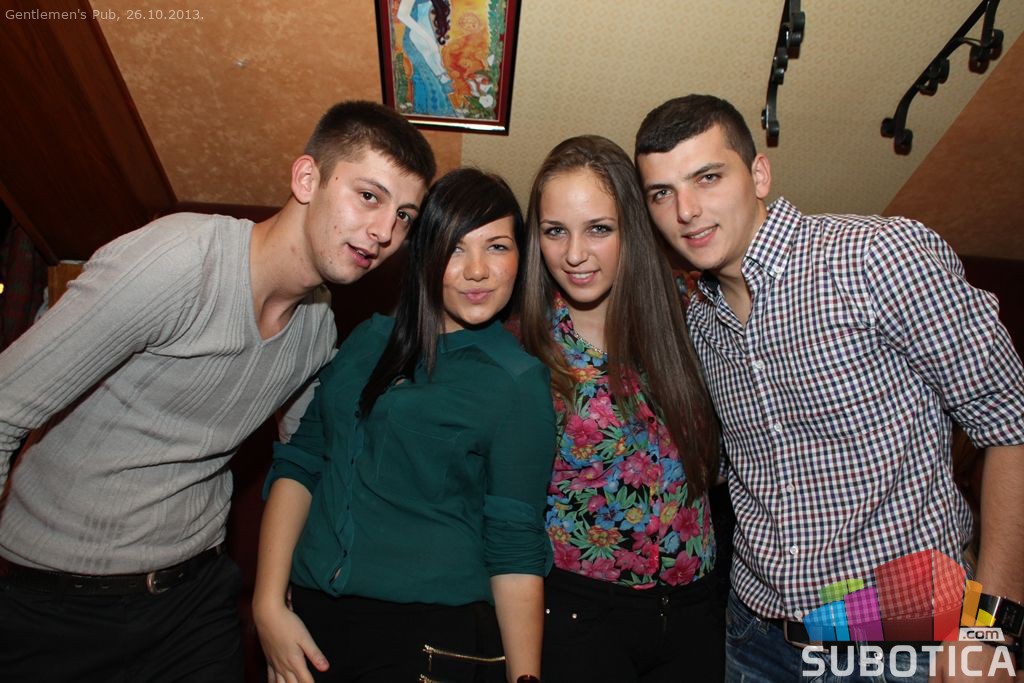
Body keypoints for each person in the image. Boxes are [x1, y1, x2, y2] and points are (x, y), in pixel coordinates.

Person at [0, 100, 435, 682]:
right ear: (307, 179)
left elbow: (312, 457)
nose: (385, 232)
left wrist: (281, 597)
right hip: (55, 602)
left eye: (404, 215)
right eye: (369, 196)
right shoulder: (182, 262)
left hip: (195, 598)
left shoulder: (316, 328)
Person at [635, 94, 1024, 681]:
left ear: (759, 175)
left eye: (707, 177)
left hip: (902, 638)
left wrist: (991, 629)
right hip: (756, 636)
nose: (686, 210)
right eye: (662, 193)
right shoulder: (699, 322)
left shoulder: (875, 259)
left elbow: (1011, 421)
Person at [254, 167, 554, 683]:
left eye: (497, 247)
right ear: (424, 255)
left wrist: (525, 680)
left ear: (520, 258)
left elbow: (514, 545)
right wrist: (267, 605)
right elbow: (301, 463)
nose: (477, 271)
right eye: (455, 249)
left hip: (426, 639)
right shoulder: (367, 339)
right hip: (307, 623)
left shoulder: (517, 382)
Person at [516, 135, 723, 682]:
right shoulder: (522, 349)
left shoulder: (689, 313)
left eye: (599, 229)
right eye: (555, 231)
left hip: (697, 606)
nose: (574, 254)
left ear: (633, 228)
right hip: (580, 616)